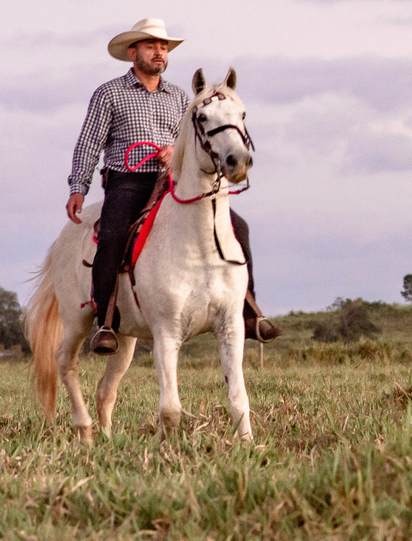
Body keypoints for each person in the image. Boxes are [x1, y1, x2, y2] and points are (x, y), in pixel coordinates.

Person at [66, 18, 276, 354]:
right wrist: (78, 187)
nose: (159, 52)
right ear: (132, 52)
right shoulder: (109, 94)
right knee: (113, 235)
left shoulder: (180, 96)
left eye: (163, 47)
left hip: (174, 181)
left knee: (239, 227)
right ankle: (105, 322)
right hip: (128, 181)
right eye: (151, 46)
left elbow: (192, 140)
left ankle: (248, 311)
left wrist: (173, 150)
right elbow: (89, 144)